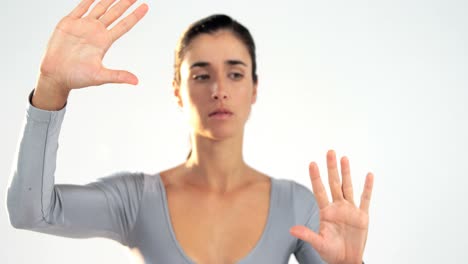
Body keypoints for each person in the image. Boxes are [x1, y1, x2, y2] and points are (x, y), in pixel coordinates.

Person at [6, 0, 374, 263]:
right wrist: (51, 86)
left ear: (254, 89)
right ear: (177, 90)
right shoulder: (136, 199)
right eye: (201, 75)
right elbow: (31, 212)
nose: (219, 89)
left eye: (235, 73)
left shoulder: (296, 206)